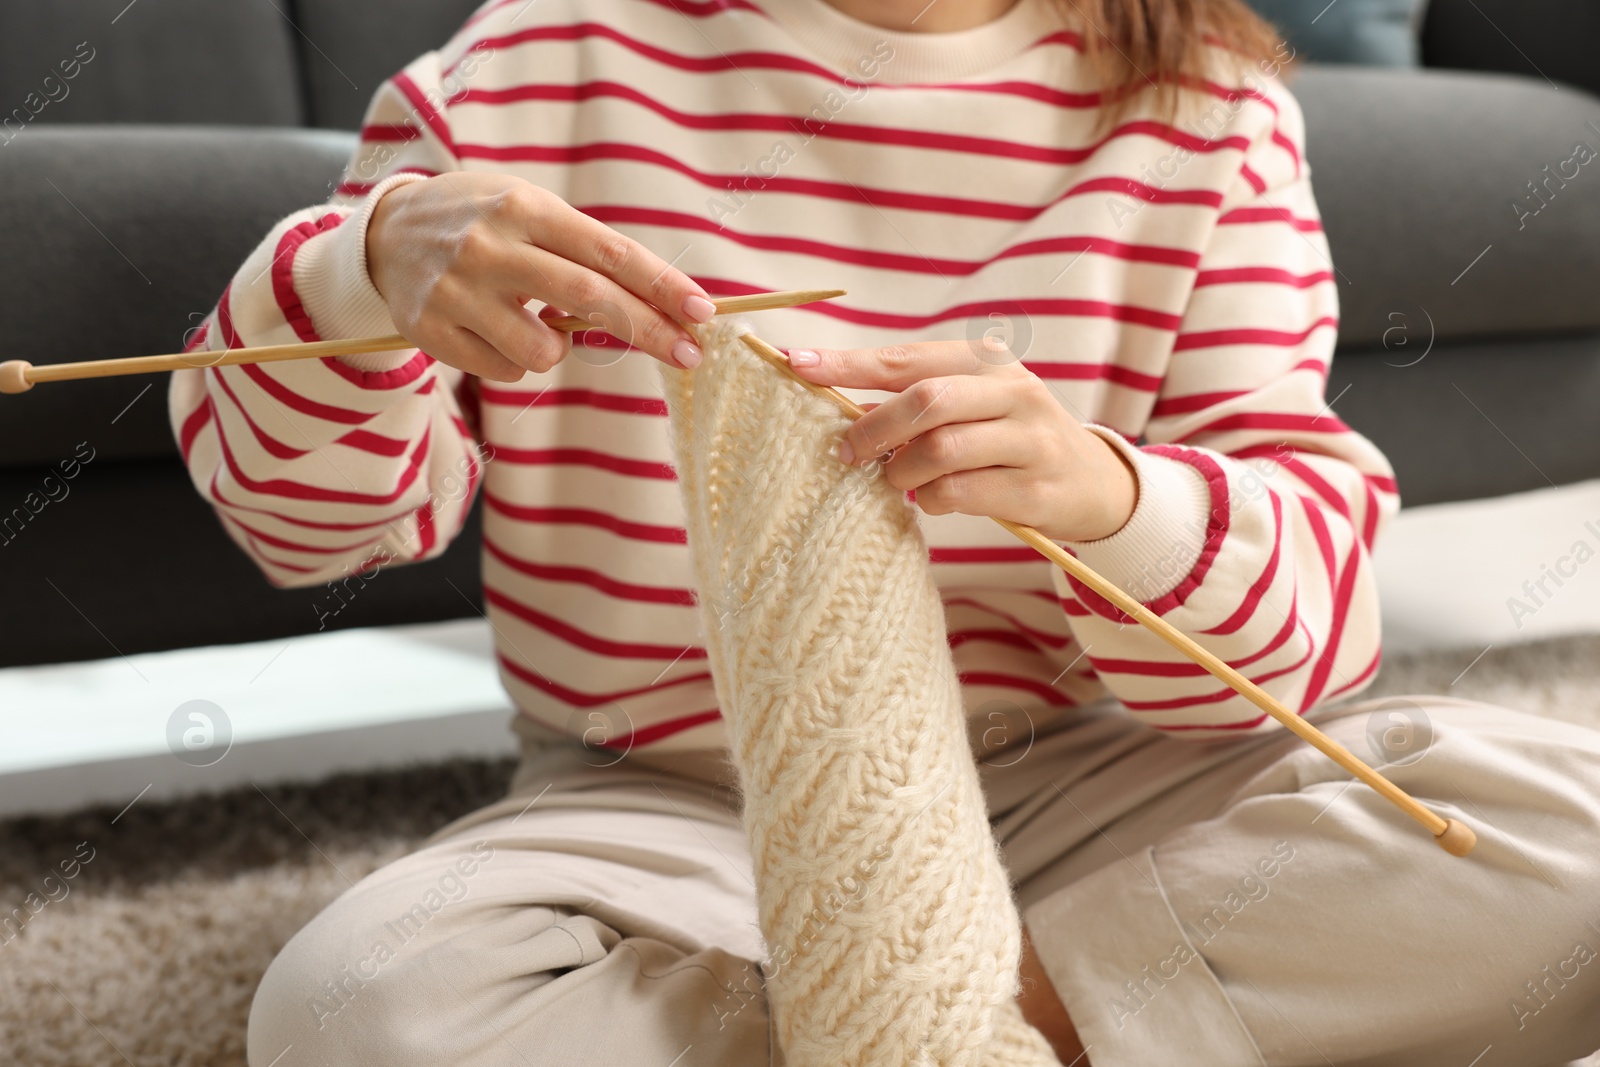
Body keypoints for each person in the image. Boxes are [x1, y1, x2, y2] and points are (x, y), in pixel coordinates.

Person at [168, 0, 1600, 1062]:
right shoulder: (530, 68)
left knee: (1565, 834)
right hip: (676, 805)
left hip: (1100, 785)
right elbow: (318, 530)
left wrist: (1108, 498)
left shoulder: (1209, 114)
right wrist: (355, 276)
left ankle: (947, 1023)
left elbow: (1307, 632)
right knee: (361, 1006)